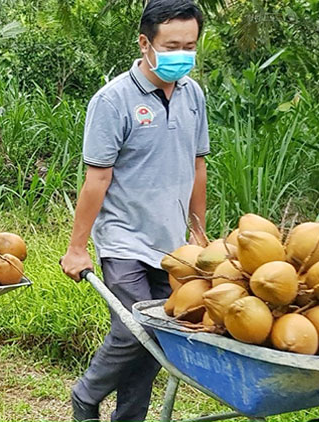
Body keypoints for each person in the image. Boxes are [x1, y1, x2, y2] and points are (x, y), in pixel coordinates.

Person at [60, 1, 208, 420]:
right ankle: (86, 395)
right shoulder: (112, 101)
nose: (183, 54)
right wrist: (77, 247)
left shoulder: (194, 95)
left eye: (191, 45)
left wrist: (198, 234)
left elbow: (198, 167)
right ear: (145, 43)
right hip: (124, 238)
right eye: (173, 44)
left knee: (156, 338)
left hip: (171, 244)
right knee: (135, 328)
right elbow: (97, 179)